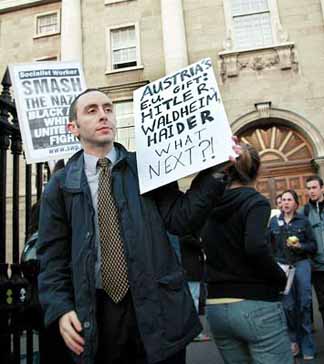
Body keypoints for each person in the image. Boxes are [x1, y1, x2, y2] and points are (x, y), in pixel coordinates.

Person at [37, 88, 237, 364]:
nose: (104, 115)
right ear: (73, 127)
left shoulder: (146, 167)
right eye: (92, 110)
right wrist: (60, 307)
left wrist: (215, 172)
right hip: (97, 313)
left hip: (157, 310)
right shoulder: (59, 187)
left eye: (108, 109)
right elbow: (51, 258)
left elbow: (182, 219)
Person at [201, 143, 293, 364]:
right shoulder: (255, 201)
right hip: (255, 303)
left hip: (216, 307)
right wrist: (281, 279)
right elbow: (255, 247)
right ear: (257, 170)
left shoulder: (208, 205)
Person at [268, 189, 317, 360]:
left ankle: (308, 344)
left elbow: (313, 245)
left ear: (296, 203)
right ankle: (293, 339)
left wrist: (300, 247)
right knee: (288, 305)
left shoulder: (303, 221)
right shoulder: (274, 222)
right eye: (284, 200)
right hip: (282, 266)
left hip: (301, 264)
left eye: (290, 199)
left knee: (304, 303)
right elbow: (268, 245)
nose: (287, 202)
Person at [300, 175, 324, 327]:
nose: (311, 191)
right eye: (308, 188)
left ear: (322, 188)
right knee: (323, 305)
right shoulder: (304, 212)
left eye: (314, 187)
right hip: (317, 267)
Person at [179, 234, 210, 342]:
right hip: (192, 271)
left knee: (191, 299)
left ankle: (189, 331)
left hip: (190, 270)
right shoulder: (188, 236)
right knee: (194, 300)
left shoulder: (183, 234)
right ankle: (194, 332)